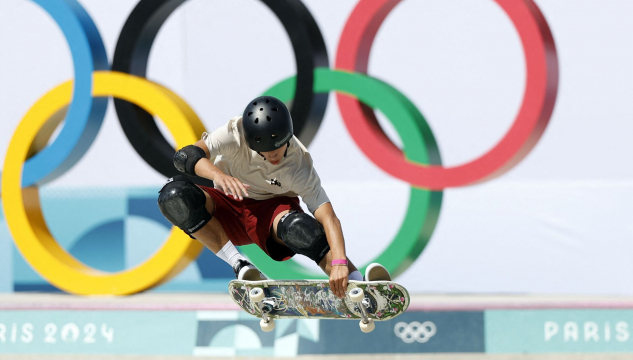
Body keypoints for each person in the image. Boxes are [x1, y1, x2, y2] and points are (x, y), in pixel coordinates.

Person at [157, 96, 391, 298]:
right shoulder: (233, 133)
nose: (273, 156)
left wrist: (339, 261)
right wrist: (217, 175)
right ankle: (240, 265)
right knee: (174, 195)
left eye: (277, 150)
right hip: (226, 204)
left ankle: (356, 283)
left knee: (301, 228)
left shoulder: (300, 164)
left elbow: (328, 217)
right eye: (266, 153)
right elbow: (185, 156)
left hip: (269, 213)